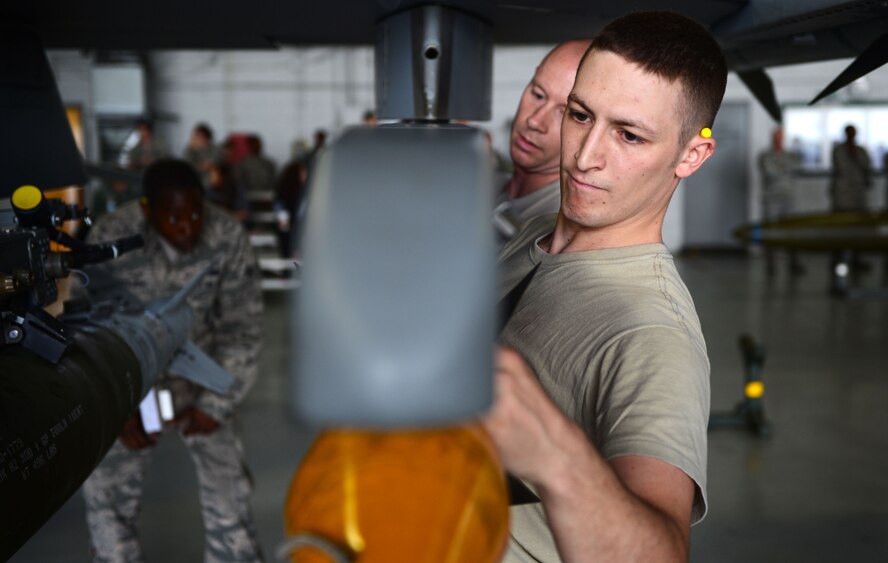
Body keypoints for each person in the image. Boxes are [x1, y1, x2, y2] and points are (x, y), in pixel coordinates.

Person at [481, 11, 726, 562]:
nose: (585, 157)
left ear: (692, 154)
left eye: (629, 135)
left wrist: (552, 455)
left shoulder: (652, 334)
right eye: (580, 114)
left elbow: (662, 553)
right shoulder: (535, 234)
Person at [81, 159, 264, 562]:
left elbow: (242, 328)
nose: (189, 226)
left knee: (231, 506)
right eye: (174, 216)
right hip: (129, 390)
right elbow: (87, 333)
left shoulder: (227, 236)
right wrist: (115, 412)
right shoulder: (111, 237)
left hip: (203, 383)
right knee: (108, 510)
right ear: (147, 209)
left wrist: (215, 406)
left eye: (196, 212)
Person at [494, 40, 592, 241]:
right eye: (538, 95)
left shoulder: (560, 227)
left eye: (564, 112)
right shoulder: (484, 183)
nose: (535, 120)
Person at [759, 126, 804, 275]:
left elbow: (796, 168)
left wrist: (781, 169)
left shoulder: (790, 155)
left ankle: (794, 262)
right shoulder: (765, 155)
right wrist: (784, 169)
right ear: (772, 138)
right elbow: (771, 172)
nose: (778, 140)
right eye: (776, 137)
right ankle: (771, 264)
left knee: (793, 230)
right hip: (772, 198)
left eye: (780, 137)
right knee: (771, 231)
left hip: (788, 197)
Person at [830, 124, 872, 213]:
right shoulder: (839, 150)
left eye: (853, 133)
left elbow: (866, 166)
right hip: (843, 186)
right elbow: (839, 167)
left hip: (858, 186)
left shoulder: (861, 151)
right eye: (849, 132)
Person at [184, 122, 224, 188]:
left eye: (202, 136)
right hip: (195, 178)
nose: (200, 139)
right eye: (197, 136)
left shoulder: (214, 148)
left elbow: (217, 160)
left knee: (215, 173)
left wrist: (210, 165)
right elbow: (188, 164)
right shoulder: (190, 150)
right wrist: (200, 166)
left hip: (212, 180)